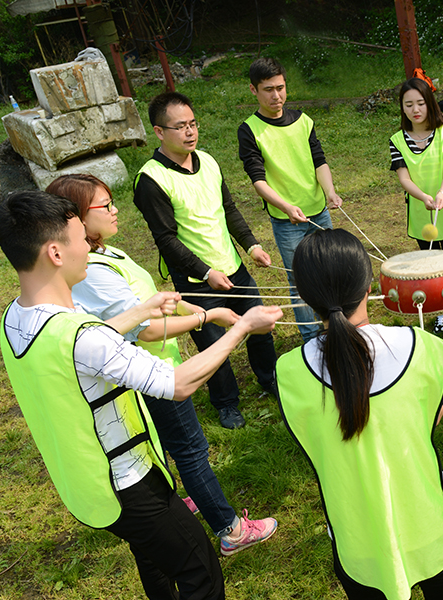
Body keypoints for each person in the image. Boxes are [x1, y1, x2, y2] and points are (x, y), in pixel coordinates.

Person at [0, 189, 282, 600]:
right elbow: (178, 384)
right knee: (199, 567)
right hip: (127, 482)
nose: (87, 250)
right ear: (56, 253)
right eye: (80, 239)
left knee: (154, 557)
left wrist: (141, 311)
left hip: (83, 480)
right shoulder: (84, 336)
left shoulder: (15, 318)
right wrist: (239, 328)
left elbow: (76, 350)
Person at [53, 174, 277, 557]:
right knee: (191, 449)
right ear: (75, 218)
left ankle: (181, 500)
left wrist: (192, 306)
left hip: (155, 366)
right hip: (149, 373)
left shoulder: (107, 253)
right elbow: (147, 330)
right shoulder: (91, 271)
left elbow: (149, 299)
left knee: (170, 446)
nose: (114, 209)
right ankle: (230, 529)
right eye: (104, 205)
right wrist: (210, 318)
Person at [276, 228, 443, 600]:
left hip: (355, 534)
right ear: (370, 286)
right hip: (430, 519)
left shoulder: (288, 372)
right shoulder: (421, 347)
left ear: (303, 297)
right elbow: (434, 418)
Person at [134, 91, 277, 430]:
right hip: (197, 281)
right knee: (213, 346)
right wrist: (205, 271)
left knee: (260, 328)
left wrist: (252, 246)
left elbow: (227, 210)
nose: (190, 132)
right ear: (159, 132)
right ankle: (227, 403)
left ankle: (271, 379)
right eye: (180, 126)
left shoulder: (209, 161)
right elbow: (166, 239)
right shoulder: (151, 179)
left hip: (234, 268)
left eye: (193, 124)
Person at [238, 56, 343, 343]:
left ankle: (335, 325)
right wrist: (285, 207)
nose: (277, 96)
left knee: (330, 271)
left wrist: (330, 191)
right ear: (253, 90)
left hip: (318, 212)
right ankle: (311, 337)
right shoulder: (249, 130)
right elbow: (258, 180)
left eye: (281, 88)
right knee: (299, 280)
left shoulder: (303, 120)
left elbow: (319, 161)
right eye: (269, 89)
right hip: (286, 221)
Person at [389, 76, 443, 344]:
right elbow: (404, 178)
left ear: (430, 103)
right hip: (421, 211)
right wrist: (424, 197)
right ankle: (440, 312)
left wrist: (441, 193)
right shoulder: (397, 140)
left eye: (420, 103)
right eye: (408, 104)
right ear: (402, 108)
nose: (415, 109)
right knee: (428, 267)